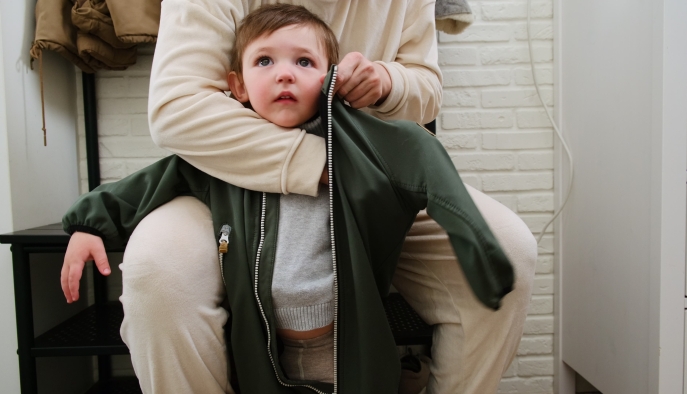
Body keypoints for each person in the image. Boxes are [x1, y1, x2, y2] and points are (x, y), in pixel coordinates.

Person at [67, 1, 538, 393]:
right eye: (265, 61)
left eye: (305, 62)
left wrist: (388, 82)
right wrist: (88, 224)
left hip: (369, 195)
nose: (286, 76)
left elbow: (425, 123)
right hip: (237, 172)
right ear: (238, 85)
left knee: (513, 253)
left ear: (328, 74)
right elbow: (170, 134)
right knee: (157, 275)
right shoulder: (209, 169)